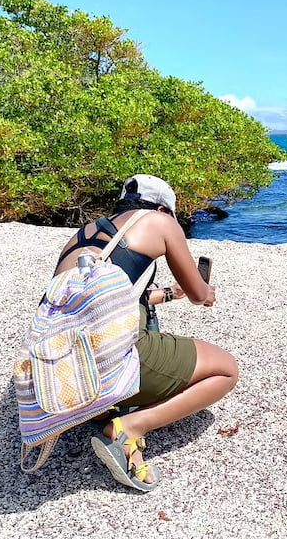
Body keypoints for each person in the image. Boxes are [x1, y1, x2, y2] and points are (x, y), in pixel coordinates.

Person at [52, 174, 238, 491]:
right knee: (225, 370)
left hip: (64, 362)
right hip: (111, 354)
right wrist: (204, 291)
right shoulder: (160, 222)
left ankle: (99, 405)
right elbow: (199, 294)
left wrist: (167, 293)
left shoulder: (86, 233)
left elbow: (103, 295)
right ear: (164, 209)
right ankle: (128, 429)